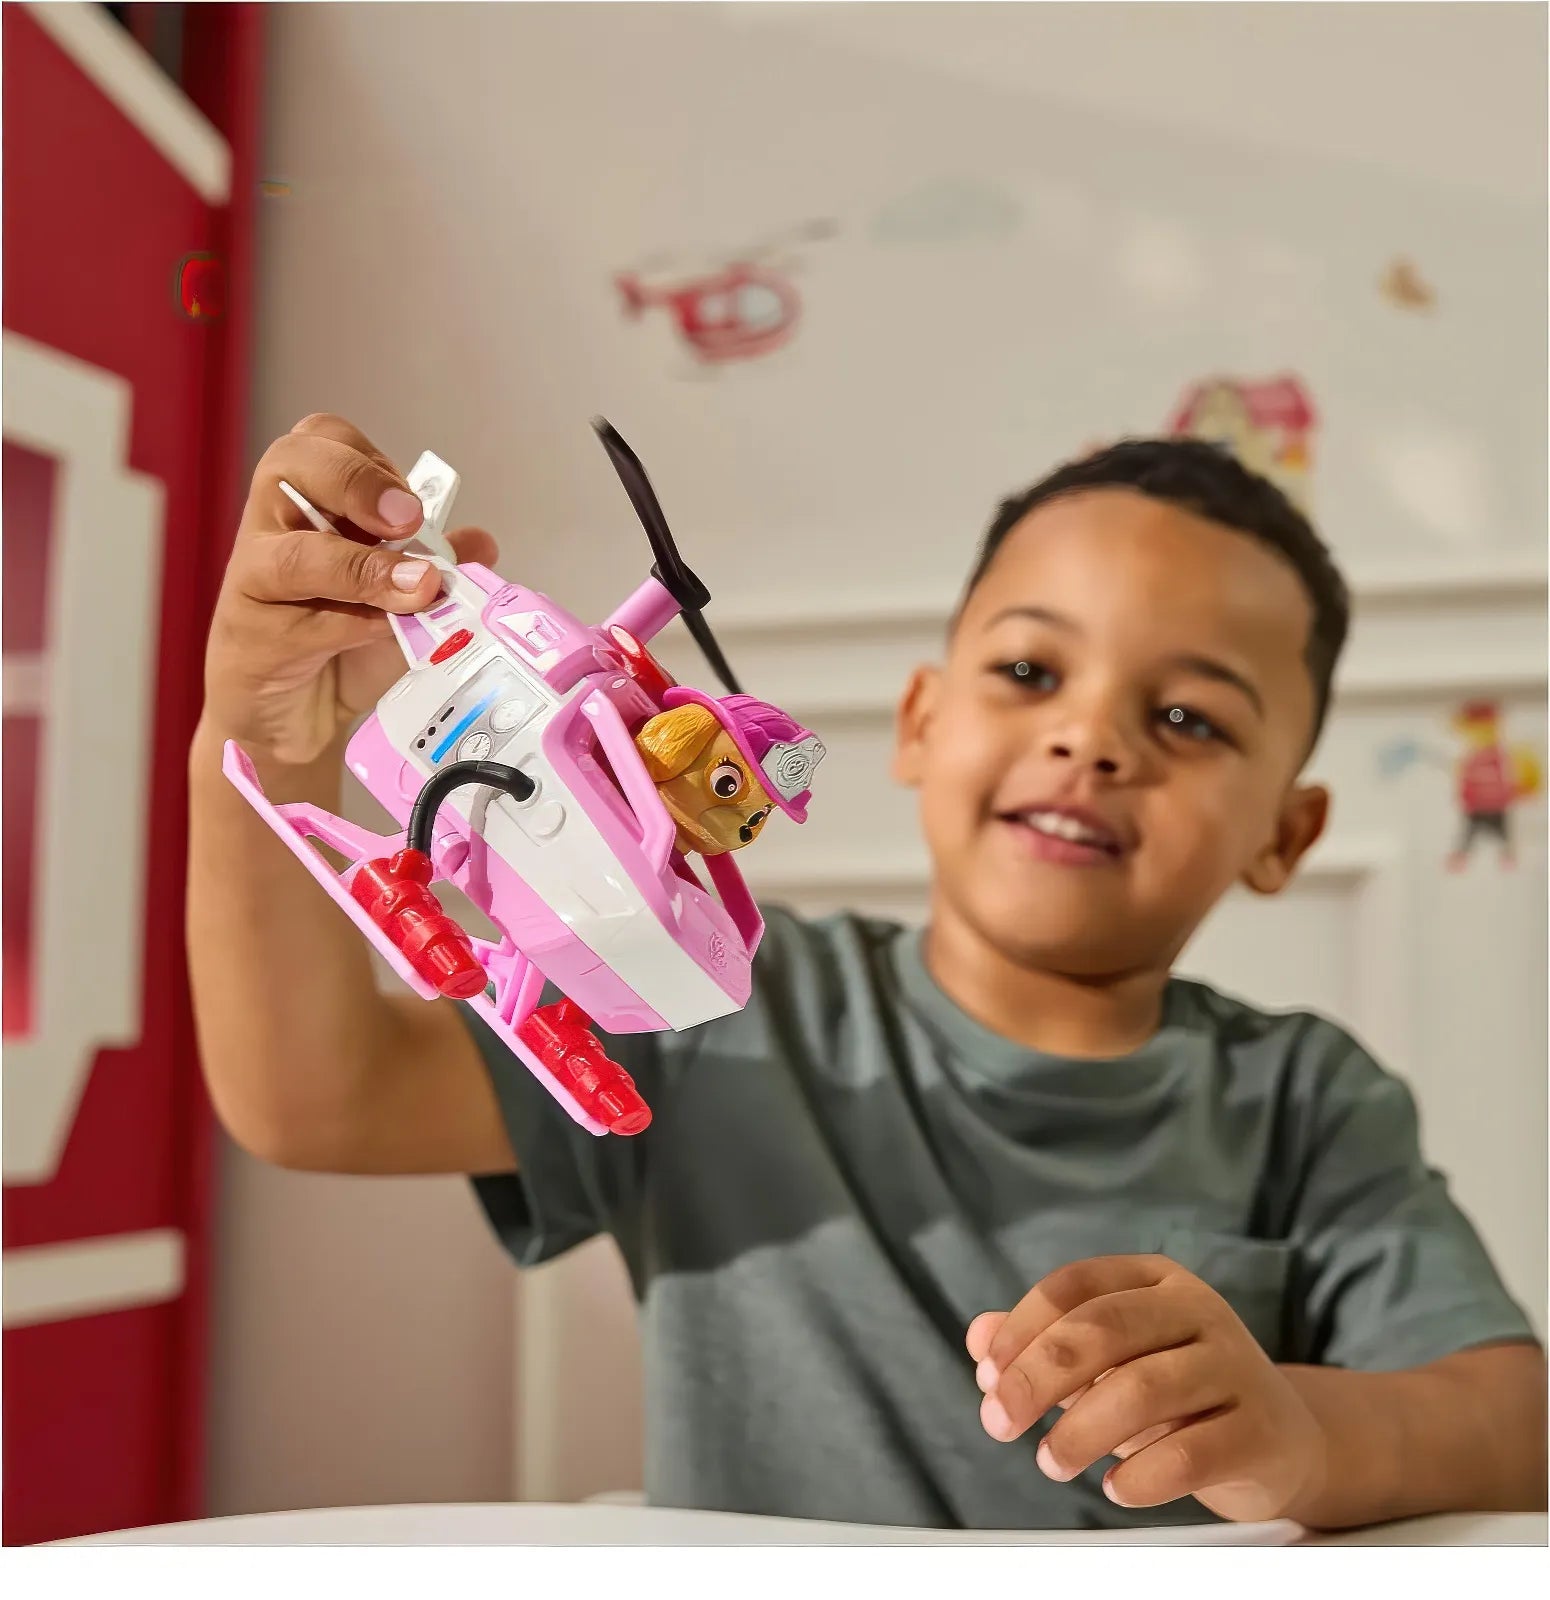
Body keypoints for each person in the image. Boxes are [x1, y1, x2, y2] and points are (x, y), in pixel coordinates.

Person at [188, 413, 1546, 1533]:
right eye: (1030, 669)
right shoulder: (717, 1005)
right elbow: (319, 1095)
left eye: (1187, 716)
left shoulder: (1306, 1099)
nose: (1089, 739)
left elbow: (1511, 1424)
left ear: (1285, 835)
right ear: (919, 724)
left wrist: (1300, 1436)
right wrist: (265, 742)